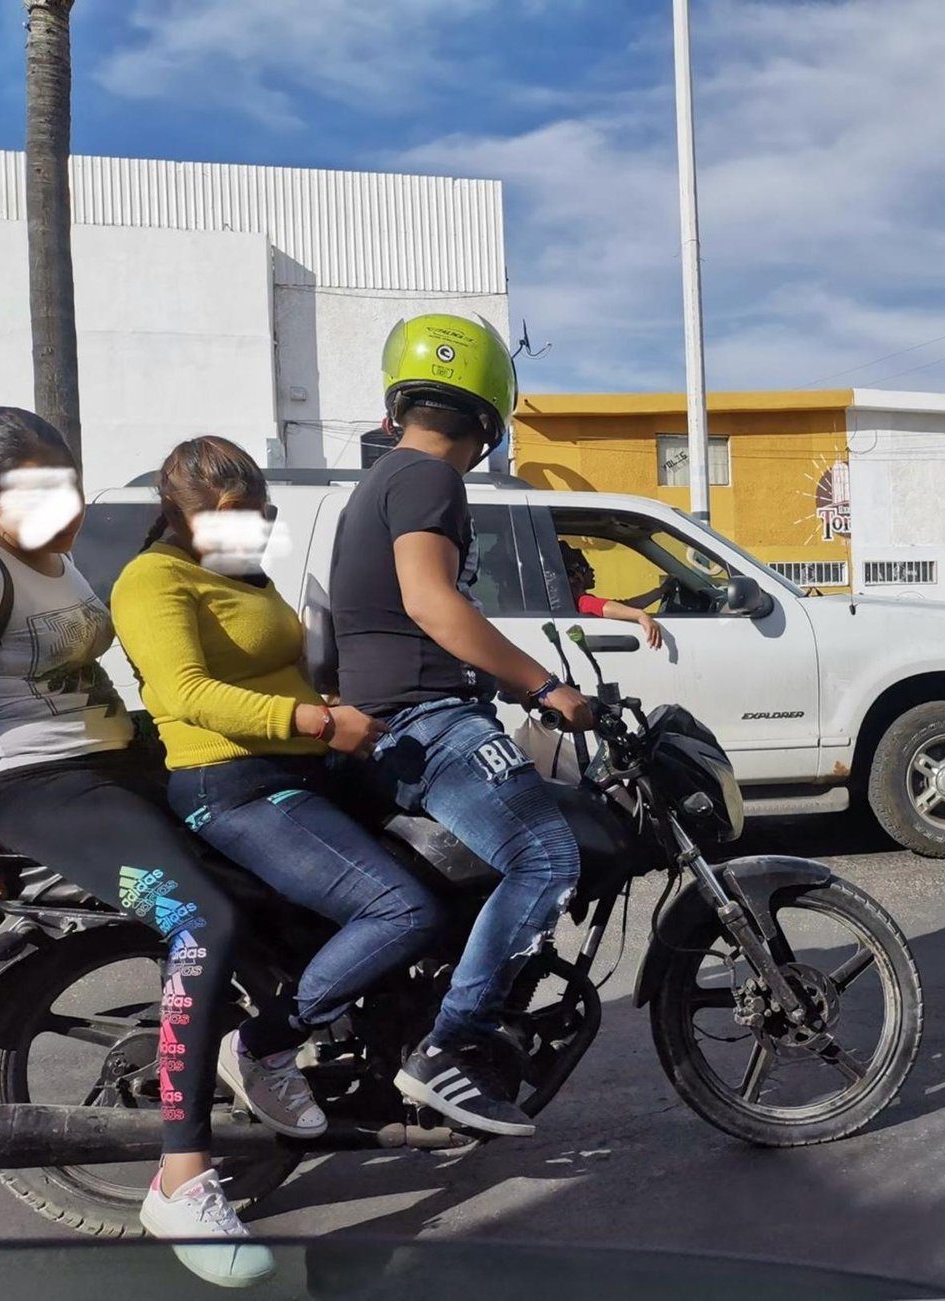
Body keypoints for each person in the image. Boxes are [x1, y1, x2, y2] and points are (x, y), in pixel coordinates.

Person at [0, 403, 273, 1289]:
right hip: (38, 786)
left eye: (71, 486)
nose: (66, 507)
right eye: (39, 492)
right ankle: (181, 1179)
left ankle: (273, 1050)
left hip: (115, 762)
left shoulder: (50, 556)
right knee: (200, 918)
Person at [111, 437, 442, 1143]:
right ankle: (262, 1047)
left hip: (298, 771)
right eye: (253, 513)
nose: (263, 526)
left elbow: (274, 669)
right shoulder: (152, 579)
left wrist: (336, 704)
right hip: (233, 783)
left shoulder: (239, 573)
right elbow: (188, 692)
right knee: (401, 910)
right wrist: (315, 720)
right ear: (207, 511)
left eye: (268, 514)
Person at [330, 313, 594, 1139]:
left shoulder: (381, 479)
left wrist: (504, 678)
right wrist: (545, 684)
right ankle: (450, 1045)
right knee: (547, 857)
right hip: (426, 721)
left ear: (399, 402)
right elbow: (430, 602)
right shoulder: (429, 479)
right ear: (488, 419)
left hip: (399, 715)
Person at [559, 541, 664, 650]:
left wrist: (660, 591)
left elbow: (625, 606)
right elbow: (601, 607)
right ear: (576, 574)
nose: (592, 570)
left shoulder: (578, 602)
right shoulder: (583, 602)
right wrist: (640, 616)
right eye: (586, 567)